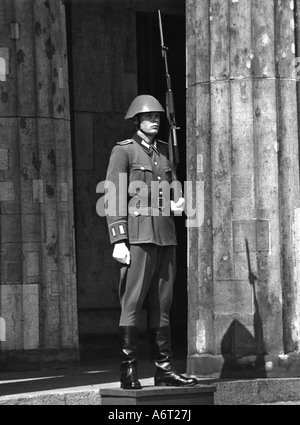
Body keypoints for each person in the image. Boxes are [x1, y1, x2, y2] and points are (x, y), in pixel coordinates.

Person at [104, 94, 198, 389]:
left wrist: (179, 203)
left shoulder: (164, 154)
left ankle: (164, 369)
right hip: (139, 236)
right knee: (131, 302)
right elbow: (114, 195)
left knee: (163, 304)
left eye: (157, 117)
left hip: (165, 237)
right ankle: (128, 370)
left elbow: (171, 195)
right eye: (149, 117)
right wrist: (119, 239)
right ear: (137, 121)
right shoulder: (125, 152)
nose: (155, 120)